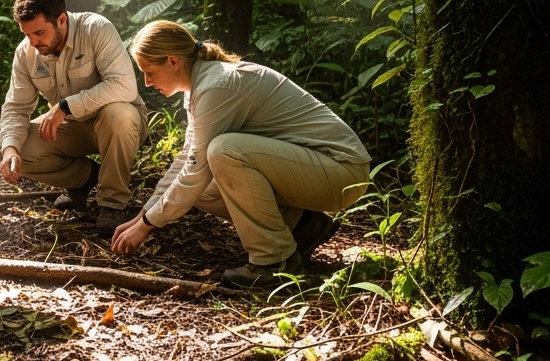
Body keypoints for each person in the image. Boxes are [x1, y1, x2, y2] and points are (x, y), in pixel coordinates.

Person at [111, 21, 372, 289]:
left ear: (173, 61)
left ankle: (274, 262)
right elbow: (186, 160)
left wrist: (146, 225)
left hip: (341, 171)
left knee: (224, 151)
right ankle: (304, 226)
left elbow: (196, 169)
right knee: (203, 187)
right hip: (315, 170)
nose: (147, 82)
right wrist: (142, 215)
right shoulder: (199, 88)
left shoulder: (217, 86)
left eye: (149, 72)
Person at [0, 0, 147, 235]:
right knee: (19, 149)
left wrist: (67, 106)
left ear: (62, 20)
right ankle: (86, 179)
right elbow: (16, 107)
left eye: (39, 33)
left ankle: (112, 203)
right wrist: (9, 150)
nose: (33, 42)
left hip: (118, 124)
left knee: (118, 115)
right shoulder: (26, 52)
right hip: (72, 129)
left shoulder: (96, 29)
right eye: (27, 34)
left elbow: (124, 86)